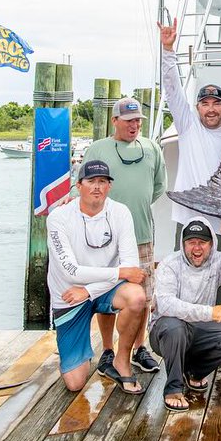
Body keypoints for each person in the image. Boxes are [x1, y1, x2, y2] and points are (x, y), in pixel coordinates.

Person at [158, 20, 221, 331]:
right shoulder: (188, 126)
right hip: (188, 217)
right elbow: (171, 87)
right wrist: (168, 50)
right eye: (204, 103)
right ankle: (181, 334)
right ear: (196, 108)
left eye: (216, 103)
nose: (210, 108)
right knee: (181, 279)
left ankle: (220, 338)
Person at [81, 97, 166, 377]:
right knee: (106, 294)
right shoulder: (98, 149)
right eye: (129, 120)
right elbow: (86, 186)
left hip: (141, 234)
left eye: (138, 120)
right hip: (105, 239)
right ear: (115, 121)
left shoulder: (153, 148)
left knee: (142, 296)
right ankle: (107, 350)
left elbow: (157, 188)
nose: (135, 125)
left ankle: (139, 348)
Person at [46, 159, 147, 394]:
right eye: (91, 181)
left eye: (103, 181)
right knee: (74, 383)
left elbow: (131, 266)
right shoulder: (58, 217)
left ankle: (121, 360)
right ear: (78, 185)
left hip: (100, 290)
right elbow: (71, 270)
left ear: (109, 186)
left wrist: (90, 290)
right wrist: (118, 273)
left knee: (137, 297)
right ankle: (78, 351)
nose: (97, 187)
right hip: (70, 295)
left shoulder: (121, 212)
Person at [150, 217, 221, 412]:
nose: (196, 248)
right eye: (191, 242)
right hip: (165, 333)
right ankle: (173, 388)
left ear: (211, 243)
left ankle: (196, 373)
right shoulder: (169, 264)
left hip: (198, 330)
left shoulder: (218, 260)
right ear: (183, 244)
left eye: (202, 242)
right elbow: (166, 305)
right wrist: (209, 312)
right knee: (175, 327)